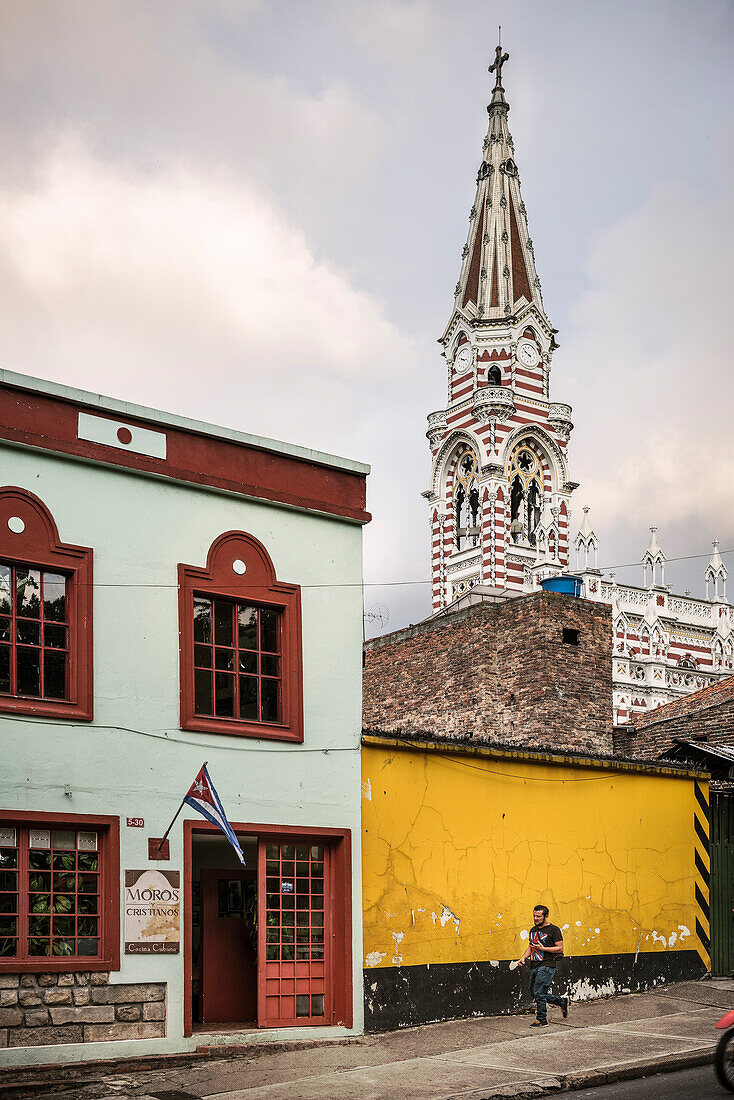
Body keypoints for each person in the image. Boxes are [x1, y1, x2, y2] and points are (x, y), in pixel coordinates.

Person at [516, 904, 569, 1027]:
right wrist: (523, 957)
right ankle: (561, 1002)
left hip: (547, 965)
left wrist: (543, 948)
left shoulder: (554, 930)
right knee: (535, 992)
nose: (535, 918)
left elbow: (560, 948)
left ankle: (541, 1019)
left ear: (546, 916)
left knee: (539, 992)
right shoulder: (533, 930)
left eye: (538, 916)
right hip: (534, 964)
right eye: (534, 916)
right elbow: (531, 946)